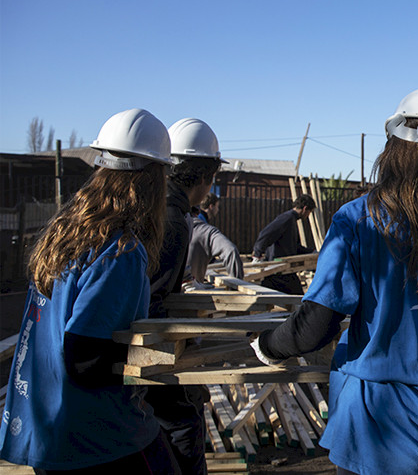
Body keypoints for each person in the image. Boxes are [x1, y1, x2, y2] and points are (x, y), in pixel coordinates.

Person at [250, 86, 418, 475]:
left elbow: (316, 324)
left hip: (373, 436)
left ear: (392, 146)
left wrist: (267, 346)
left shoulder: (357, 219)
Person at [0, 109, 181, 474]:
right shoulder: (121, 252)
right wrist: (154, 352)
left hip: (46, 425)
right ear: (155, 178)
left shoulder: (65, 231)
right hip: (95, 436)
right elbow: (85, 359)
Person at [146, 117, 224, 475]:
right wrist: (190, 342)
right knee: (183, 432)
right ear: (206, 178)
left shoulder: (158, 206)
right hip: (155, 365)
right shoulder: (173, 220)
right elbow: (153, 302)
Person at [251, 194, 316, 295]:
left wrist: (312, 252)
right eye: (309, 212)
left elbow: (294, 247)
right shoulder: (287, 218)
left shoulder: (291, 220)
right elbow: (265, 234)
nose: (308, 216)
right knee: (297, 297)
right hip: (279, 268)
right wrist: (257, 254)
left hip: (283, 269)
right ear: (305, 208)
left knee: (267, 295)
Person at [187, 207, 244, 284]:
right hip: (190, 293)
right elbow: (231, 250)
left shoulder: (167, 227)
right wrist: (237, 286)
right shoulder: (206, 231)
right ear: (197, 213)